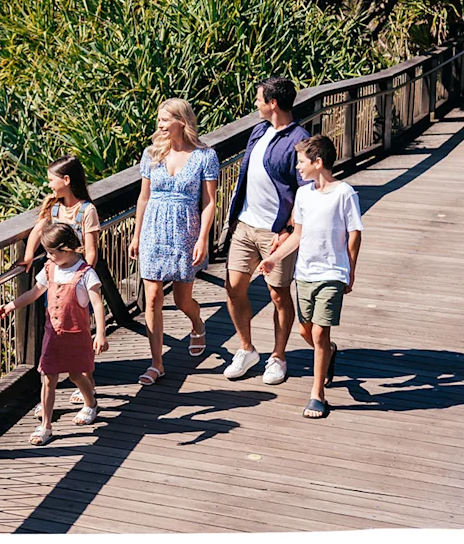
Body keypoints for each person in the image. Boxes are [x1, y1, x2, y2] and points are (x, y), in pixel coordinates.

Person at [259, 135, 363, 419]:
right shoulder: (304, 195)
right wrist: (274, 259)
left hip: (332, 272)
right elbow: (298, 235)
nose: (297, 168)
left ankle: (317, 394)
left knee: (318, 332)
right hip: (305, 272)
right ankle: (328, 353)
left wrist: (350, 269)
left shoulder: (344, 194)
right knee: (306, 330)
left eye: (302, 162)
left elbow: (354, 233)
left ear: (318, 163)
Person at [223, 77, 309, 385]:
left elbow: (304, 190)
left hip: (275, 231)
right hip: (246, 225)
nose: (256, 104)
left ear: (273, 103)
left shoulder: (300, 140)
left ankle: (278, 356)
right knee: (233, 287)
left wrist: (288, 229)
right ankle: (246, 349)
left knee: (277, 294)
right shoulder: (259, 130)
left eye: (259, 99)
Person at [129, 98, 218, 385]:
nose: (160, 124)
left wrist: (203, 238)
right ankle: (156, 363)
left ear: (182, 120)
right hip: (153, 229)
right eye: (159, 119)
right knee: (153, 297)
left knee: (182, 299)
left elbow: (209, 202)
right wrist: (136, 234)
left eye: (166, 119)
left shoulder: (205, 156)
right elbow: (143, 197)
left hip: (185, 231)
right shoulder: (151, 154)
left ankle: (196, 321)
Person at [0, 222, 108, 445]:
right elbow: (35, 292)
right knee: (48, 378)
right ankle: (46, 425)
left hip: (76, 335)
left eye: (51, 252)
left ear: (66, 250)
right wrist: (11, 305)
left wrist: (101, 333)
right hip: (53, 334)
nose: (48, 256)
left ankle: (91, 403)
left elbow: (97, 303)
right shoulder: (50, 269)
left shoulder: (86, 273)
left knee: (77, 374)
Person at [18, 156, 103, 413]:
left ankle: (88, 385)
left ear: (66, 180)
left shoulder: (87, 210)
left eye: (51, 179)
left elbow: (91, 250)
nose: (49, 184)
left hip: (77, 281)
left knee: (79, 336)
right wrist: (29, 256)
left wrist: (82, 272)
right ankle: (56, 393)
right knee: (56, 330)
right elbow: (38, 230)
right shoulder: (54, 208)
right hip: (55, 279)